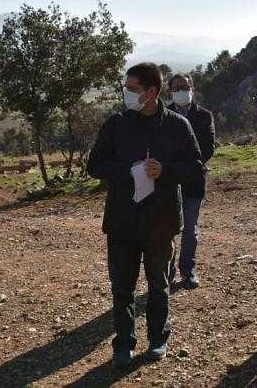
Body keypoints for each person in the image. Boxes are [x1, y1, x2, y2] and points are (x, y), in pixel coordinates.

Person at [86, 62, 203, 368]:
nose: (126, 93)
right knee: (122, 287)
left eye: (132, 89)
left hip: (160, 222)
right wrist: (127, 170)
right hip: (122, 221)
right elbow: (94, 165)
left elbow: (195, 167)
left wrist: (165, 171)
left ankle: (157, 339)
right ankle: (123, 343)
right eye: (125, 88)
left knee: (159, 285)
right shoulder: (115, 125)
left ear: (151, 92)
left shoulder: (178, 126)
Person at [166, 73, 215, 289]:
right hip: (166, 182)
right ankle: (166, 273)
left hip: (194, 181)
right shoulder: (163, 115)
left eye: (184, 86)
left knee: (190, 228)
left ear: (192, 88)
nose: (180, 91)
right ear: (170, 91)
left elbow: (208, 147)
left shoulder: (204, 116)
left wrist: (184, 166)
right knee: (167, 228)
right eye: (176, 88)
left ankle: (188, 270)